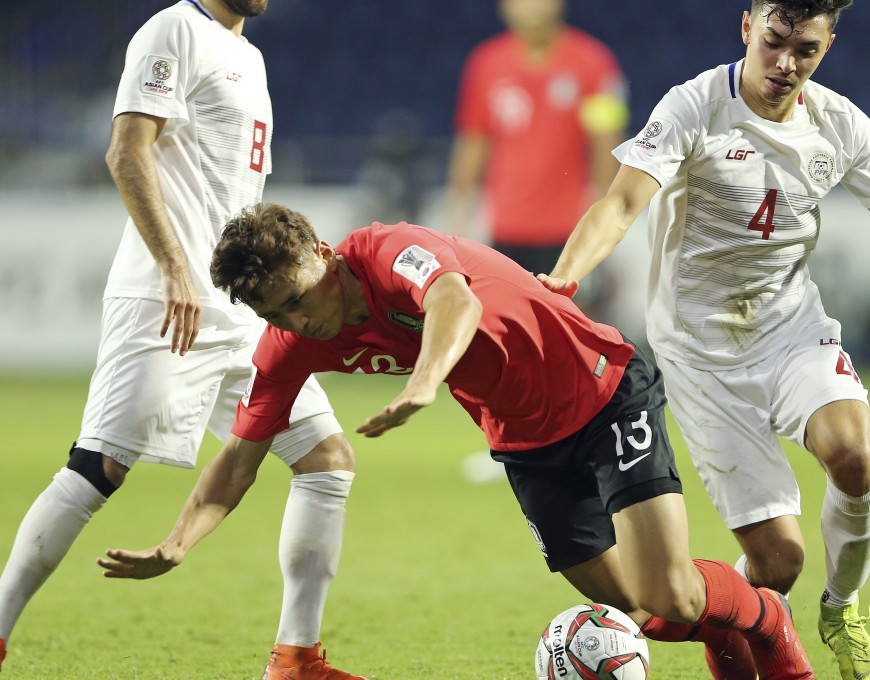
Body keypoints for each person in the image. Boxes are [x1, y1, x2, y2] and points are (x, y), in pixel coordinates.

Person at [98, 202, 817, 680]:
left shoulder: (389, 251)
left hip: (603, 387)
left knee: (667, 594)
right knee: (642, 609)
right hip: (527, 443)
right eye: (275, 312)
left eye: (299, 295)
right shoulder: (288, 346)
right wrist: (177, 543)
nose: (298, 319)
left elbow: (455, 299)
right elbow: (239, 458)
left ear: (323, 253)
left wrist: (422, 384)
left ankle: (765, 619)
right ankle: (723, 621)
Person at [537, 1, 870, 679]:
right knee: (776, 563)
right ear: (747, 28)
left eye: (807, 51)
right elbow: (620, 203)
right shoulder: (693, 106)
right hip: (702, 355)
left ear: (826, 47)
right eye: (775, 43)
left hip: (792, 328)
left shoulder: (839, 122)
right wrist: (564, 278)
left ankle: (842, 609)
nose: (787, 64)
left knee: (853, 454)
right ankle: (728, 634)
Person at [0, 3, 364, 679]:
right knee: (98, 467)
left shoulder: (249, 57)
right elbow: (126, 148)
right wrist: (172, 265)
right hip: (165, 300)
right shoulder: (172, 31)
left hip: (241, 309)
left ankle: (295, 659)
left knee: (326, 458)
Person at [446, 0, 627, 289]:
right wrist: (458, 210)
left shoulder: (593, 62)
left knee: (570, 322)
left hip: (570, 227)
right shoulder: (485, 64)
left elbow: (607, 139)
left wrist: (604, 213)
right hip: (506, 226)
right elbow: (474, 140)